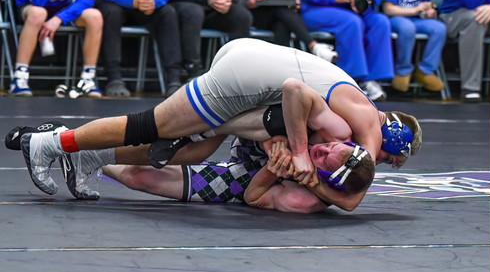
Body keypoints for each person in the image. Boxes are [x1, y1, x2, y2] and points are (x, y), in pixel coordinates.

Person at [20, 38, 421, 210]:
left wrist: (281, 149)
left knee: (193, 145)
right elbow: (352, 197)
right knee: (152, 127)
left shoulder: (350, 109)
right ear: (389, 137)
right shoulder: (359, 130)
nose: (377, 162)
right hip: (252, 80)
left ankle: (87, 157)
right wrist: (300, 154)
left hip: (249, 63)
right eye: (387, 158)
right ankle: (53, 143)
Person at [103, 136, 375, 213]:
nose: (321, 149)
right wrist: (276, 138)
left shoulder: (303, 199)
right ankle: (82, 145)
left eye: (326, 159)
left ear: (329, 178)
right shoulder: (330, 130)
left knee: (137, 176)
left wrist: (272, 170)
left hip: (237, 181)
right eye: (331, 147)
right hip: (250, 137)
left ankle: (83, 155)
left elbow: (253, 197)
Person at [381, 0, 445, 94]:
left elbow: (423, 10)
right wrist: (415, 9)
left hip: (417, 20)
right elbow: (388, 9)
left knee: (439, 28)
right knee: (407, 28)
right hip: (398, 19)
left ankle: (425, 71)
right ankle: (403, 71)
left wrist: (428, 13)